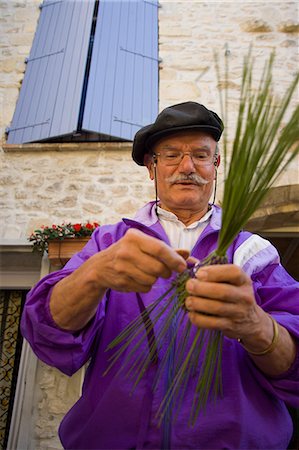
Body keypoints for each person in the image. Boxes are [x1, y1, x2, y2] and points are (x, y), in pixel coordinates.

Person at [21, 102, 299, 450]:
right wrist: (94, 274)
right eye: (171, 156)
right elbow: (47, 334)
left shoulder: (253, 252)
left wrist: (256, 325)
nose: (187, 167)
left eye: (201, 155)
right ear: (152, 168)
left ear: (215, 166)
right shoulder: (111, 242)